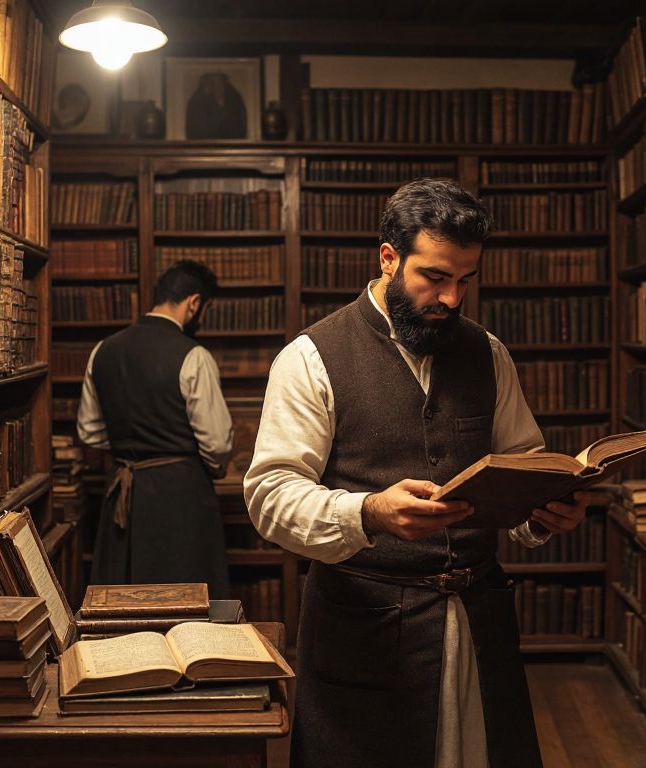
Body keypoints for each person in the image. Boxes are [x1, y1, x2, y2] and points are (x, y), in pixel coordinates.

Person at [244, 178, 601, 768]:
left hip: (480, 627)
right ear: (388, 257)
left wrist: (543, 509)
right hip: (366, 633)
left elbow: (523, 463)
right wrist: (369, 512)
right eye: (435, 278)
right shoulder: (310, 357)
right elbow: (270, 497)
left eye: (465, 280)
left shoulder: (489, 354)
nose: (452, 299)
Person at [79, 260, 234, 597]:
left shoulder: (101, 351)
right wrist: (209, 469)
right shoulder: (194, 356)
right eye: (204, 309)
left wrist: (131, 446)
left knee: (123, 607)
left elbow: (89, 432)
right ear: (194, 303)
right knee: (185, 605)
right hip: (181, 498)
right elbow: (218, 444)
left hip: (122, 494)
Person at [185, 72, 247, 139]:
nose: (216, 87)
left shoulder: (234, 99)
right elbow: (195, 131)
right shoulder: (196, 102)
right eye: (212, 83)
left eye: (219, 82)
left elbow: (239, 129)